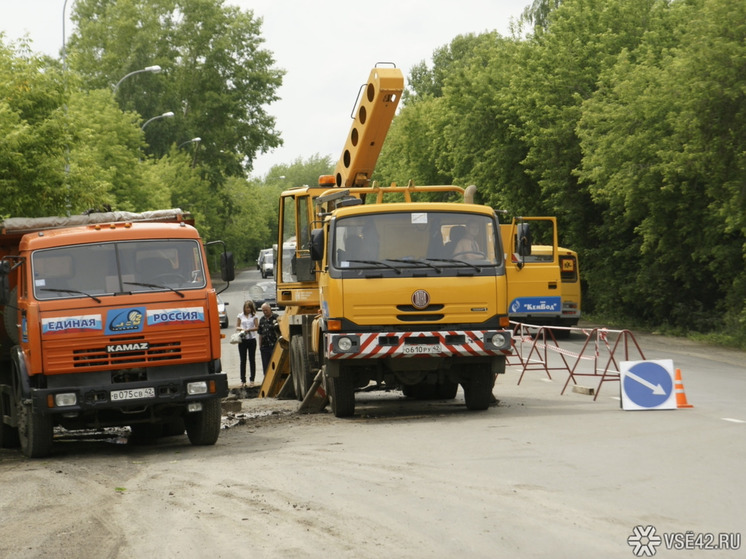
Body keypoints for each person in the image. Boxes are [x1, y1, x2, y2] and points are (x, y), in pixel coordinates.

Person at [236, 300, 258, 387]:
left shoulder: (254, 316)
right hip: (243, 339)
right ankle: (243, 380)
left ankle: (252, 379)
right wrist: (242, 329)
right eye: (247, 308)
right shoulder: (240, 315)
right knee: (243, 360)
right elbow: (237, 326)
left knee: (252, 359)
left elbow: (257, 327)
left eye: (249, 308)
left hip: (251, 339)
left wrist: (250, 330)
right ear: (244, 308)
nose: (248, 309)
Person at [257, 302, 280, 375]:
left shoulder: (276, 317)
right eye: (263, 310)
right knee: (266, 365)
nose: (265, 312)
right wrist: (260, 346)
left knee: (276, 364)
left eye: (266, 310)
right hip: (265, 346)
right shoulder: (262, 319)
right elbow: (260, 333)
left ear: (270, 309)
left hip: (274, 345)